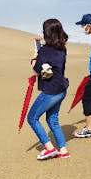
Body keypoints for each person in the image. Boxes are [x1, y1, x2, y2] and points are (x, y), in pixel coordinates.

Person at [27, 19, 71, 160]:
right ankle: (63, 150)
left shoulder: (45, 51)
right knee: (53, 120)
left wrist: (34, 58)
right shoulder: (62, 48)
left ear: (47, 33)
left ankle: (49, 148)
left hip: (50, 92)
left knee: (32, 118)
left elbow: (36, 71)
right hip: (61, 89)